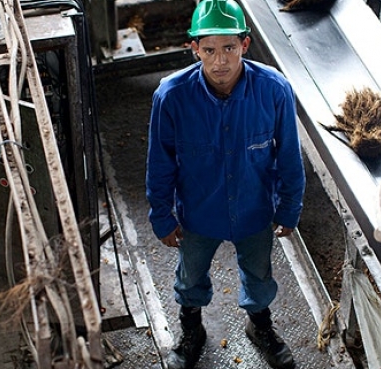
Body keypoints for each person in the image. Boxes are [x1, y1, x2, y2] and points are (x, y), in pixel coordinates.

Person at [145, 0, 305, 368]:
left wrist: (289, 207)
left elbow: (289, 158)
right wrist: (162, 217)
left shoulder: (274, 90)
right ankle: (192, 332)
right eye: (210, 50)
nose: (220, 62)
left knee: (259, 272)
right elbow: (159, 163)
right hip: (199, 212)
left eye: (229, 48)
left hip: (254, 208)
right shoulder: (171, 97)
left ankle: (260, 327)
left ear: (245, 45)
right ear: (194, 48)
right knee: (190, 277)